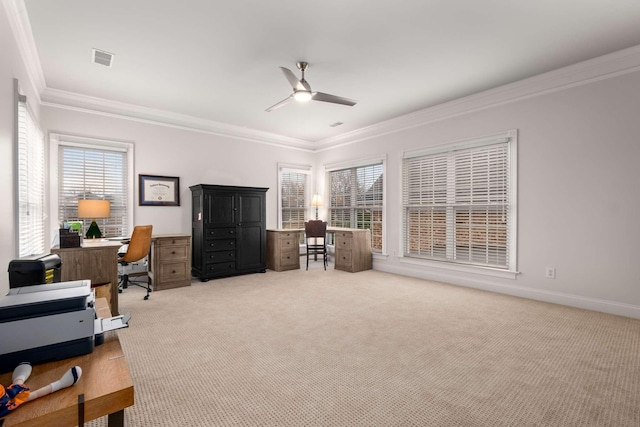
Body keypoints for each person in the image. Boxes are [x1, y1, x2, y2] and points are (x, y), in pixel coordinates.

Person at [0, 362, 82, 418]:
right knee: (33, 395)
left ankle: (18, 381)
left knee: (18, 393)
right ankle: (60, 384)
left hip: (5, 396)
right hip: (4, 404)